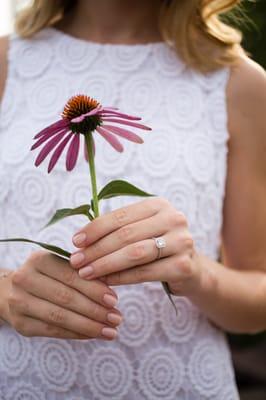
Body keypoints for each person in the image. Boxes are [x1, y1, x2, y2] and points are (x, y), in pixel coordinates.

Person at [0, 0, 265, 398]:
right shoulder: (7, 62)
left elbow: (258, 296)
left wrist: (195, 273)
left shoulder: (242, 84)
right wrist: (5, 293)